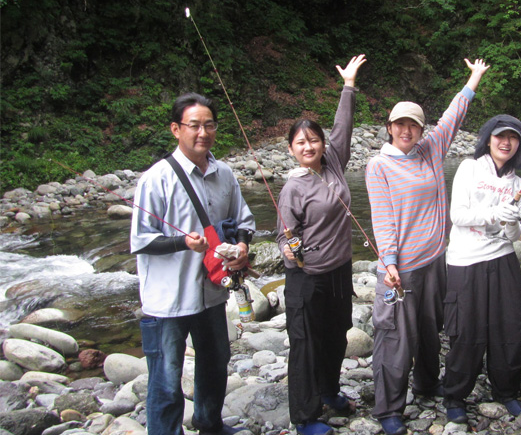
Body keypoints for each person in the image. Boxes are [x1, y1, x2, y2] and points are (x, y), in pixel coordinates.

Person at [365, 58, 490, 435]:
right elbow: (382, 218)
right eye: (400, 124)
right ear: (389, 128)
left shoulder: (432, 148)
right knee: (396, 339)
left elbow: (453, 115)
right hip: (400, 269)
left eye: (413, 124)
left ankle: (426, 383)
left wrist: (474, 79)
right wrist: (388, 262)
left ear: (422, 129)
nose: (407, 130)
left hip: (436, 260)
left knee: (431, 329)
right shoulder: (378, 166)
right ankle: (389, 409)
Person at [130, 92, 255, 435]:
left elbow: (242, 219)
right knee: (166, 378)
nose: (203, 132)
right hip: (168, 300)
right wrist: (183, 242)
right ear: (176, 129)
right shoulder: (156, 179)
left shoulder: (224, 173)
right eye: (194, 125)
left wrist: (243, 245)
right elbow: (140, 240)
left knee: (216, 363)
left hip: (212, 293)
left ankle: (209, 423)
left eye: (209, 125)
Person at [275, 54, 366, 435]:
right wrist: (287, 250)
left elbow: (343, 126)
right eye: (301, 142)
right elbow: (284, 235)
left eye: (313, 139)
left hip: (339, 271)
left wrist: (348, 86)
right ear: (292, 149)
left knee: (336, 333)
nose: (308, 146)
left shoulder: (334, 163)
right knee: (305, 344)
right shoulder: (292, 187)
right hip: (306, 278)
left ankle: (330, 391)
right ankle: (305, 417)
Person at [442, 114, 521, 423]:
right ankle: (455, 394)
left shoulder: (519, 183)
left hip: (503, 260)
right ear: (488, 139)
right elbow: (458, 216)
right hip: (466, 261)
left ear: (519, 145)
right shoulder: (469, 167)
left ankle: (506, 391)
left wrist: (511, 220)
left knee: (510, 327)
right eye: (500, 136)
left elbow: (512, 236)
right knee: (465, 330)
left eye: (513, 138)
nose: (505, 142)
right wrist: (495, 212)